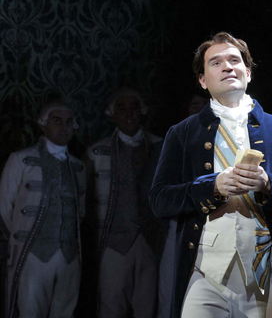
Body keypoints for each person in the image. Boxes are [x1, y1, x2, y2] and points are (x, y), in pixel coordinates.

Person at [149, 32, 272, 318]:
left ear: (248, 73)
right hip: (203, 274)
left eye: (234, 60)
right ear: (203, 80)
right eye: (215, 63)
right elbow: (159, 200)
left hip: (261, 273)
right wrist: (212, 186)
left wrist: (269, 184)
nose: (227, 67)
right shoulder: (182, 133)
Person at [0, 99, 85, 318]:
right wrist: (24, 236)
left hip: (69, 255)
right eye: (57, 121)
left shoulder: (79, 166)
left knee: (65, 311)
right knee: (30, 311)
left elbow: (81, 211)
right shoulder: (20, 160)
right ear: (44, 124)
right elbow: (4, 207)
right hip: (33, 253)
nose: (64, 127)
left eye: (69, 122)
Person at [83, 88, 163, 317]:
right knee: (111, 303)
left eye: (134, 107)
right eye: (122, 108)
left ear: (142, 111)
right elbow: (84, 198)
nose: (129, 114)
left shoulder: (160, 147)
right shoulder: (96, 152)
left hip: (150, 240)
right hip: (113, 241)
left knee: (147, 305)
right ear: (113, 113)